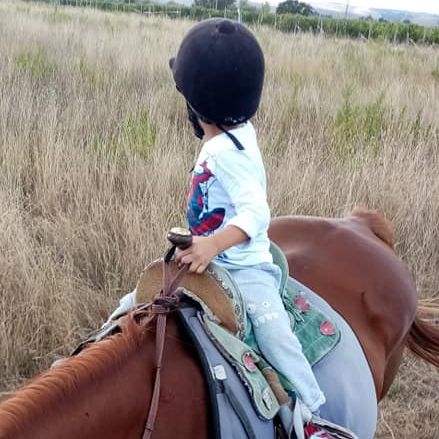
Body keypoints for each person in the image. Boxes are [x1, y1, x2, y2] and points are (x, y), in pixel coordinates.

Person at [170, 18, 353, 439]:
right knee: (143, 299)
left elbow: (255, 214)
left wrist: (211, 246)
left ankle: (311, 418)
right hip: (208, 254)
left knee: (274, 335)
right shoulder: (232, 136)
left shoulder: (228, 154)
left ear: (196, 105)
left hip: (243, 267)